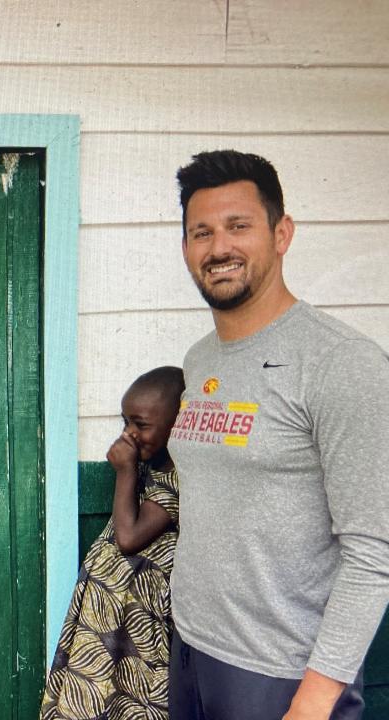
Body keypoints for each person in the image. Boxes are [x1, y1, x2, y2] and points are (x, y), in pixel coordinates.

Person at [167, 150, 389, 720]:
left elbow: (374, 551)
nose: (219, 248)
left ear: (281, 233)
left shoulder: (342, 363)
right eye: (201, 232)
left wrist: (314, 703)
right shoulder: (200, 359)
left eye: (238, 226)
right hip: (192, 651)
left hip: (284, 675)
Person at [41, 366, 185, 720]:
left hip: (135, 621)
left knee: (129, 701)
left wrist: (124, 471)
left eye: (141, 424)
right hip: (105, 615)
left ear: (178, 422)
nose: (130, 434)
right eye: (126, 422)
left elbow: (129, 538)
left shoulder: (177, 477)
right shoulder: (150, 464)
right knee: (88, 695)